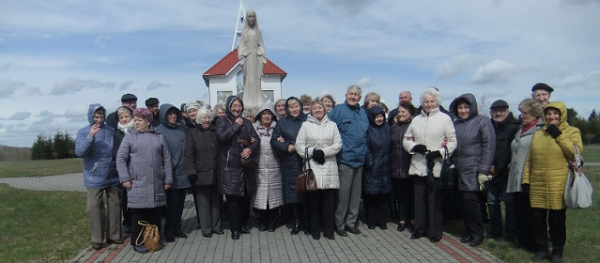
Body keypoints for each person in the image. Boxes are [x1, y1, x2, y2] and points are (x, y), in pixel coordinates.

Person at [523, 101, 582, 263]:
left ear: (562, 114)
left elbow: (574, 151)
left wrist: (558, 134)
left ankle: (557, 251)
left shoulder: (572, 131)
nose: (552, 117)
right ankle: (542, 249)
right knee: (538, 219)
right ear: (544, 115)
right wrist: (526, 180)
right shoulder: (539, 133)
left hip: (559, 183)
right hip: (538, 183)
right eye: (548, 114)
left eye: (555, 113)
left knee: (556, 220)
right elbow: (530, 159)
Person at [403, 87, 457, 243]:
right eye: (426, 101)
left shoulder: (444, 119)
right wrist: (414, 147)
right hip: (418, 164)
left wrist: (440, 152)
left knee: (434, 201)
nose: (429, 104)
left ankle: (435, 231)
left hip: (436, 165)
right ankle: (419, 229)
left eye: (432, 101)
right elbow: (406, 139)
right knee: (419, 200)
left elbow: (452, 141)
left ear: (437, 102)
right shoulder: (416, 119)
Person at [116, 108, 173, 254]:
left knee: (155, 213)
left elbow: (166, 159)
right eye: (135, 120)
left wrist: (168, 178)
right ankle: (137, 242)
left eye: (140, 120)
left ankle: (154, 239)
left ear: (148, 121)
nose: (136, 123)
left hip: (156, 182)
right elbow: (121, 158)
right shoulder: (129, 136)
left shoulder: (158, 136)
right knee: (138, 214)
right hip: (137, 183)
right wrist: (125, 178)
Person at [449, 93, 495, 247]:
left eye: (466, 107)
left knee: (472, 203)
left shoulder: (483, 122)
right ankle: (469, 232)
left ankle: (478, 233)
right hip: (458, 169)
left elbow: (489, 147)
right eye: (460, 107)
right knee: (462, 204)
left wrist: (483, 169)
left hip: (474, 170)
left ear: (472, 107)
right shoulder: (456, 124)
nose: (463, 110)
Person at [75, 103, 122, 250]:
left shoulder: (111, 130)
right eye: (96, 117)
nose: (99, 120)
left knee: (115, 206)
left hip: (112, 173)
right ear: (91, 116)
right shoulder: (83, 132)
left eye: (101, 117)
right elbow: (80, 152)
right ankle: (97, 239)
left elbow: (117, 150)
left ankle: (114, 235)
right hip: (94, 176)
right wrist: (90, 137)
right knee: (94, 207)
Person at [295, 98, 342, 240]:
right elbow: (299, 145)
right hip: (312, 166)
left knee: (329, 202)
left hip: (328, 165)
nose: (317, 110)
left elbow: (338, 144)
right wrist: (312, 152)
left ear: (324, 109)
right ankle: (314, 230)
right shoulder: (305, 126)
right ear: (311, 111)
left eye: (319, 108)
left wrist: (324, 152)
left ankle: (328, 231)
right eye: (314, 108)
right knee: (313, 202)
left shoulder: (332, 125)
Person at [215, 96, 260, 240]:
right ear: (229, 106)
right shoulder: (222, 121)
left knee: (244, 198)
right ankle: (234, 229)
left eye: (239, 106)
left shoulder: (247, 122)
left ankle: (242, 224)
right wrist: (235, 125)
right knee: (233, 199)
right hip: (230, 166)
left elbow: (256, 139)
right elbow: (222, 137)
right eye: (234, 106)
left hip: (245, 165)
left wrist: (250, 149)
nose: (237, 108)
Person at [328, 85, 370, 237]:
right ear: (346, 95)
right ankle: (339, 224)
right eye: (351, 94)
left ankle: (351, 223)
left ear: (360, 97)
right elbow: (327, 130)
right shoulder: (338, 111)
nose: (353, 96)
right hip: (345, 159)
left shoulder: (363, 113)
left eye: (356, 94)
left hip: (360, 160)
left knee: (355, 196)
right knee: (343, 195)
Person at [506, 98, 544, 251]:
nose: (521, 115)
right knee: (519, 212)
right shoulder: (520, 128)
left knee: (532, 214)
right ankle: (522, 241)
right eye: (520, 112)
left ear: (534, 114)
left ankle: (534, 244)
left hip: (530, 177)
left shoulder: (541, 130)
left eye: (524, 112)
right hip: (515, 176)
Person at [270, 97, 307, 235]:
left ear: (301, 107)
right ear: (287, 109)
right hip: (290, 161)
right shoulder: (282, 123)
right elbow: (274, 141)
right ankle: (296, 222)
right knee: (294, 193)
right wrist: (286, 146)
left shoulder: (307, 120)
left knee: (308, 190)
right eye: (291, 107)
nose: (294, 109)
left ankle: (307, 221)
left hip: (306, 159)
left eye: (296, 106)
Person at [186, 108, 223, 238]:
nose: (207, 120)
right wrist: (191, 170)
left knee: (216, 202)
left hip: (216, 172)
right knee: (203, 203)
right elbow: (189, 154)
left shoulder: (215, 131)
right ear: (199, 119)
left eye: (208, 118)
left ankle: (216, 226)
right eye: (204, 118)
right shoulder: (193, 133)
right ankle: (206, 228)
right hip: (200, 173)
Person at [156, 104, 190, 242]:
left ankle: (177, 227)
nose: (173, 116)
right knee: (171, 205)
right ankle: (168, 230)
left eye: (175, 114)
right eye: (169, 114)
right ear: (164, 116)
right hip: (170, 173)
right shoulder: (160, 131)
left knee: (180, 203)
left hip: (183, 172)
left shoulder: (181, 129)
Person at [487, 100, 520, 241]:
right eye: (495, 111)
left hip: (506, 172)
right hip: (490, 172)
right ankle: (495, 231)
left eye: (501, 110)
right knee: (492, 202)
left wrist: (498, 167)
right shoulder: (488, 126)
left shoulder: (515, 127)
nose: (498, 113)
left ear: (507, 111)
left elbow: (510, 151)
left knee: (509, 204)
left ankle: (511, 234)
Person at [252, 102, 284, 232]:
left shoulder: (278, 128)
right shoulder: (254, 128)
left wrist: (282, 141)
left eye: (269, 114)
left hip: (275, 166)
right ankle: (262, 222)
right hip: (259, 167)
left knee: (275, 197)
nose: (266, 116)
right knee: (260, 198)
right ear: (260, 116)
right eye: (264, 114)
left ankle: (273, 223)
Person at [362, 105, 392, 230]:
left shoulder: (387, 128)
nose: (379, 119)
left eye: (381, 116)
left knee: (384, 195)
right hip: (373, 166)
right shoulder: (368, 129)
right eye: (377, 117)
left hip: (385, 166)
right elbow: (366, 146)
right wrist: (370, 162)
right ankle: (372, 221)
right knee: (372, 196)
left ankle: (382, 221)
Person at [390, 101, 416, 232]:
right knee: (400, 195)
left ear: (410, 113)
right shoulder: (394, 128)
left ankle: (413, 218)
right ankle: (402, 219)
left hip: (410, 165)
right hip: (396, 166)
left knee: (412, 195)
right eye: (399, 112)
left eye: (403, 112)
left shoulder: (414, 126)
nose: (400, 114)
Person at [112, 106, 134, 235]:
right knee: (125, 199)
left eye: (126, 116)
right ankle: (128, 222)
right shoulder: (117, 133)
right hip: (124, 169)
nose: (124, 119)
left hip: (137, 168)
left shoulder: (136, 129)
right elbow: (115, 152)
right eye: (122, 117)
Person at [238, 9, 266, 109]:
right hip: (248, 58)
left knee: (256, 80)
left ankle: (258, 101)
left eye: (252, 16)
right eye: (249, 16)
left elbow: (261, 44)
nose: (251, 19)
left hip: (256, 58)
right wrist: (241, 56)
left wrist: (263, 56)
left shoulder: (258, 31)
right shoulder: (244, 32)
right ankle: (248, 101)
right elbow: (241, 45)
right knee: (248, 79)